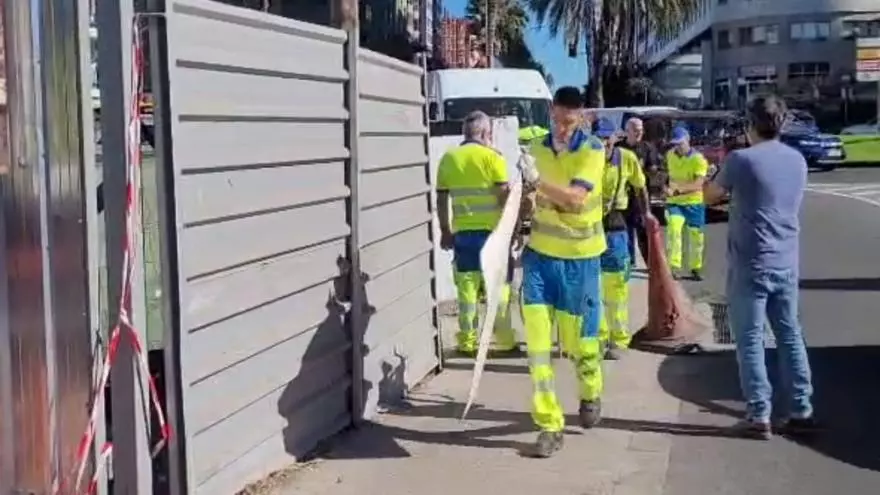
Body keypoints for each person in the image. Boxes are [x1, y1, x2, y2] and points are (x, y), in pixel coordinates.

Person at [704, 96, 817, 440]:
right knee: (790, 334)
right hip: (786, 260)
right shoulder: (797, 160)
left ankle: (759, 414)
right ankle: (801, 408)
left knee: (750, 339)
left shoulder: (741, 159)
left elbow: (710, 195)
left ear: (750, 125)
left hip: (750, 263)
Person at [517, 86, 606, 457]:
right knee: (538, 350)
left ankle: (590, 391)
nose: (563, 125)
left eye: (570, 119)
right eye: (558, 117)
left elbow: (575, 199)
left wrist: (536, 183)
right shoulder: (534, 150)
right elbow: (525, 202)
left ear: (581, 115)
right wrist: (516, 199)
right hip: (539, 259)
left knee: (580, 346)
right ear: (552, 111)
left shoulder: (593, 150)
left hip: (579, 260)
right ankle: (549, 425)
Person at [435, 111, 517, 355]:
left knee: (467, 293)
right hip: (493, 236)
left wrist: (445, 231)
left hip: (463, 236)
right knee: (498, 291)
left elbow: (441, 200)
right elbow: (504, 199)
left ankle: (468, 342)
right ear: (485, 133)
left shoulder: (449, 158)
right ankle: (504, 341)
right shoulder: (494, 158)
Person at [593, 118, 651, 360]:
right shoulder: (585, 158)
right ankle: (598, 338)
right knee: (592, 287)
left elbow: (640, 186)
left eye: (607, 137)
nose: (603, 142)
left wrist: (647, 214)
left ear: (615, 137)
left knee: (616, 287)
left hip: (616, 226)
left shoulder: (627, 158)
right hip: (589, 228)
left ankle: (618, 338)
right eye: (599, 137)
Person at [664, 126, 709, 281]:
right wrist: (664, 187)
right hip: (675, 203)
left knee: (696, 236)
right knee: (674, 230)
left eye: (681, 143)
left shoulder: (698, 159)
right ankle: (674, 266)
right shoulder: (670, 155)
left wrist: (678, 190)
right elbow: (665, 175)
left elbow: (698, 183)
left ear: (688, 141)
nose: (678, 147)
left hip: (693, 202)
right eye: (675, 144)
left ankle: (695, 268)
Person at [617, 117, 658, 267]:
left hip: (640, 196)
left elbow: (653, 168)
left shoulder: (647, 148)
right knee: (624, 230)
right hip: (623, 196)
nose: (639, 133)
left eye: (641, 130)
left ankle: (650, 263)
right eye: (635, 130)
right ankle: (629, 261)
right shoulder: (618, 148)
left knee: (643, 230)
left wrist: (652, 171)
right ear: (627, 131)